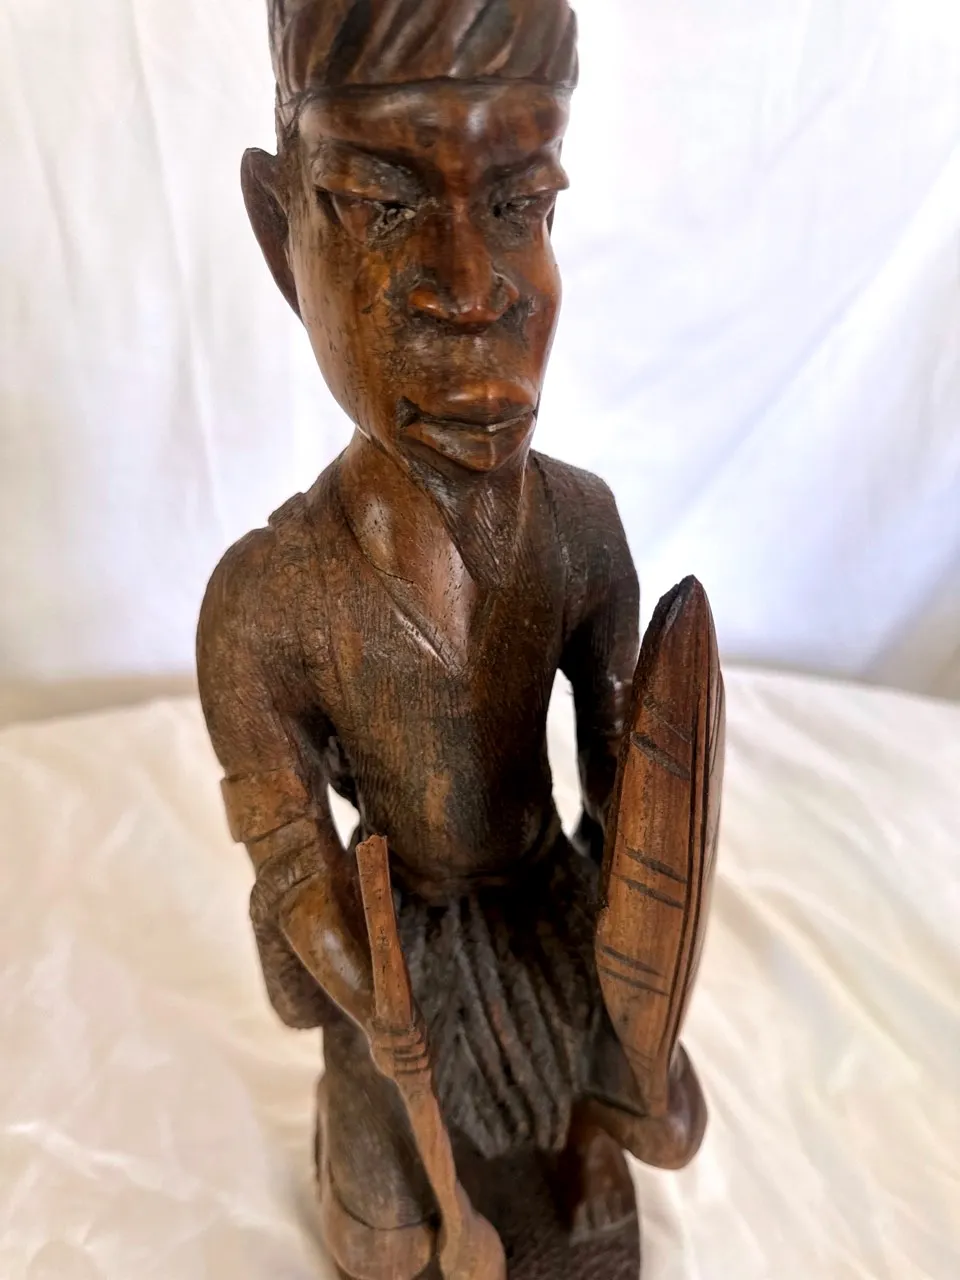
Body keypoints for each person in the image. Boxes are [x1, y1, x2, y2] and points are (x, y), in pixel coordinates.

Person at [197, 2, 705, 1275]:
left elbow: (631, 785)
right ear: (281, 233)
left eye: (521, 204)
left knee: (666, 1129)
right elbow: (296, 864)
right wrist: (374, 1005)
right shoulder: (268, 601)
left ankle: (565, 1119)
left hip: (544, 908)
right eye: (381, 205)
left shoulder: (578, 530)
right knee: (386, 1245)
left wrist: (635, 979)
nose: (473, 293)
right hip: (396, 955)